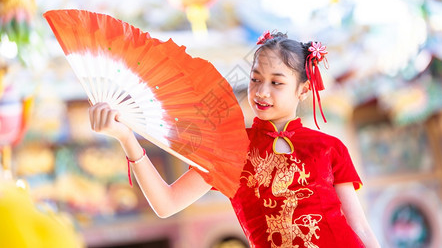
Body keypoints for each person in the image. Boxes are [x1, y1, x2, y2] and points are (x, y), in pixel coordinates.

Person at [89, 31, 380, 247]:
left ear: (303, 90)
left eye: (277, 82)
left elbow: (361, 228)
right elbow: (167, 204)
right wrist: (127, 138)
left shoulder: (329, 147)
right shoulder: (230, 147)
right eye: (255, 79)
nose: (262, 92)